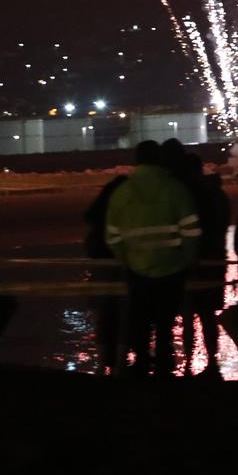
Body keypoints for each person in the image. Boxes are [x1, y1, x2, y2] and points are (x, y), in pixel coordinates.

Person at [104, 141, 199, 376]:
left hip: (137, 269)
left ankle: (142, 363)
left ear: (136, 161)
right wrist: (186, 259)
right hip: (172, 269)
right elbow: (192, 232)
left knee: (140, 321)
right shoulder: (175, 189)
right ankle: (165, 366)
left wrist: (126, 258)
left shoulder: (122, 192)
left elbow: (112, 236)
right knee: (166, 322)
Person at [166, 140, 231, 376]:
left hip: (191, 260)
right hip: (214, 260)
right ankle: (211, 361)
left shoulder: (186, 194)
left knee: (187, 313)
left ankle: (189, 362)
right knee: (207, 315)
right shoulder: (217, 193)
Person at [84, 170, 130, 375]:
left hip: (102, 266)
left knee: (103, 314)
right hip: (124, 265)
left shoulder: (98, 215)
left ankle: (102, 363)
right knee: (124, 314)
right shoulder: (127, 209)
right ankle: (121, 361)